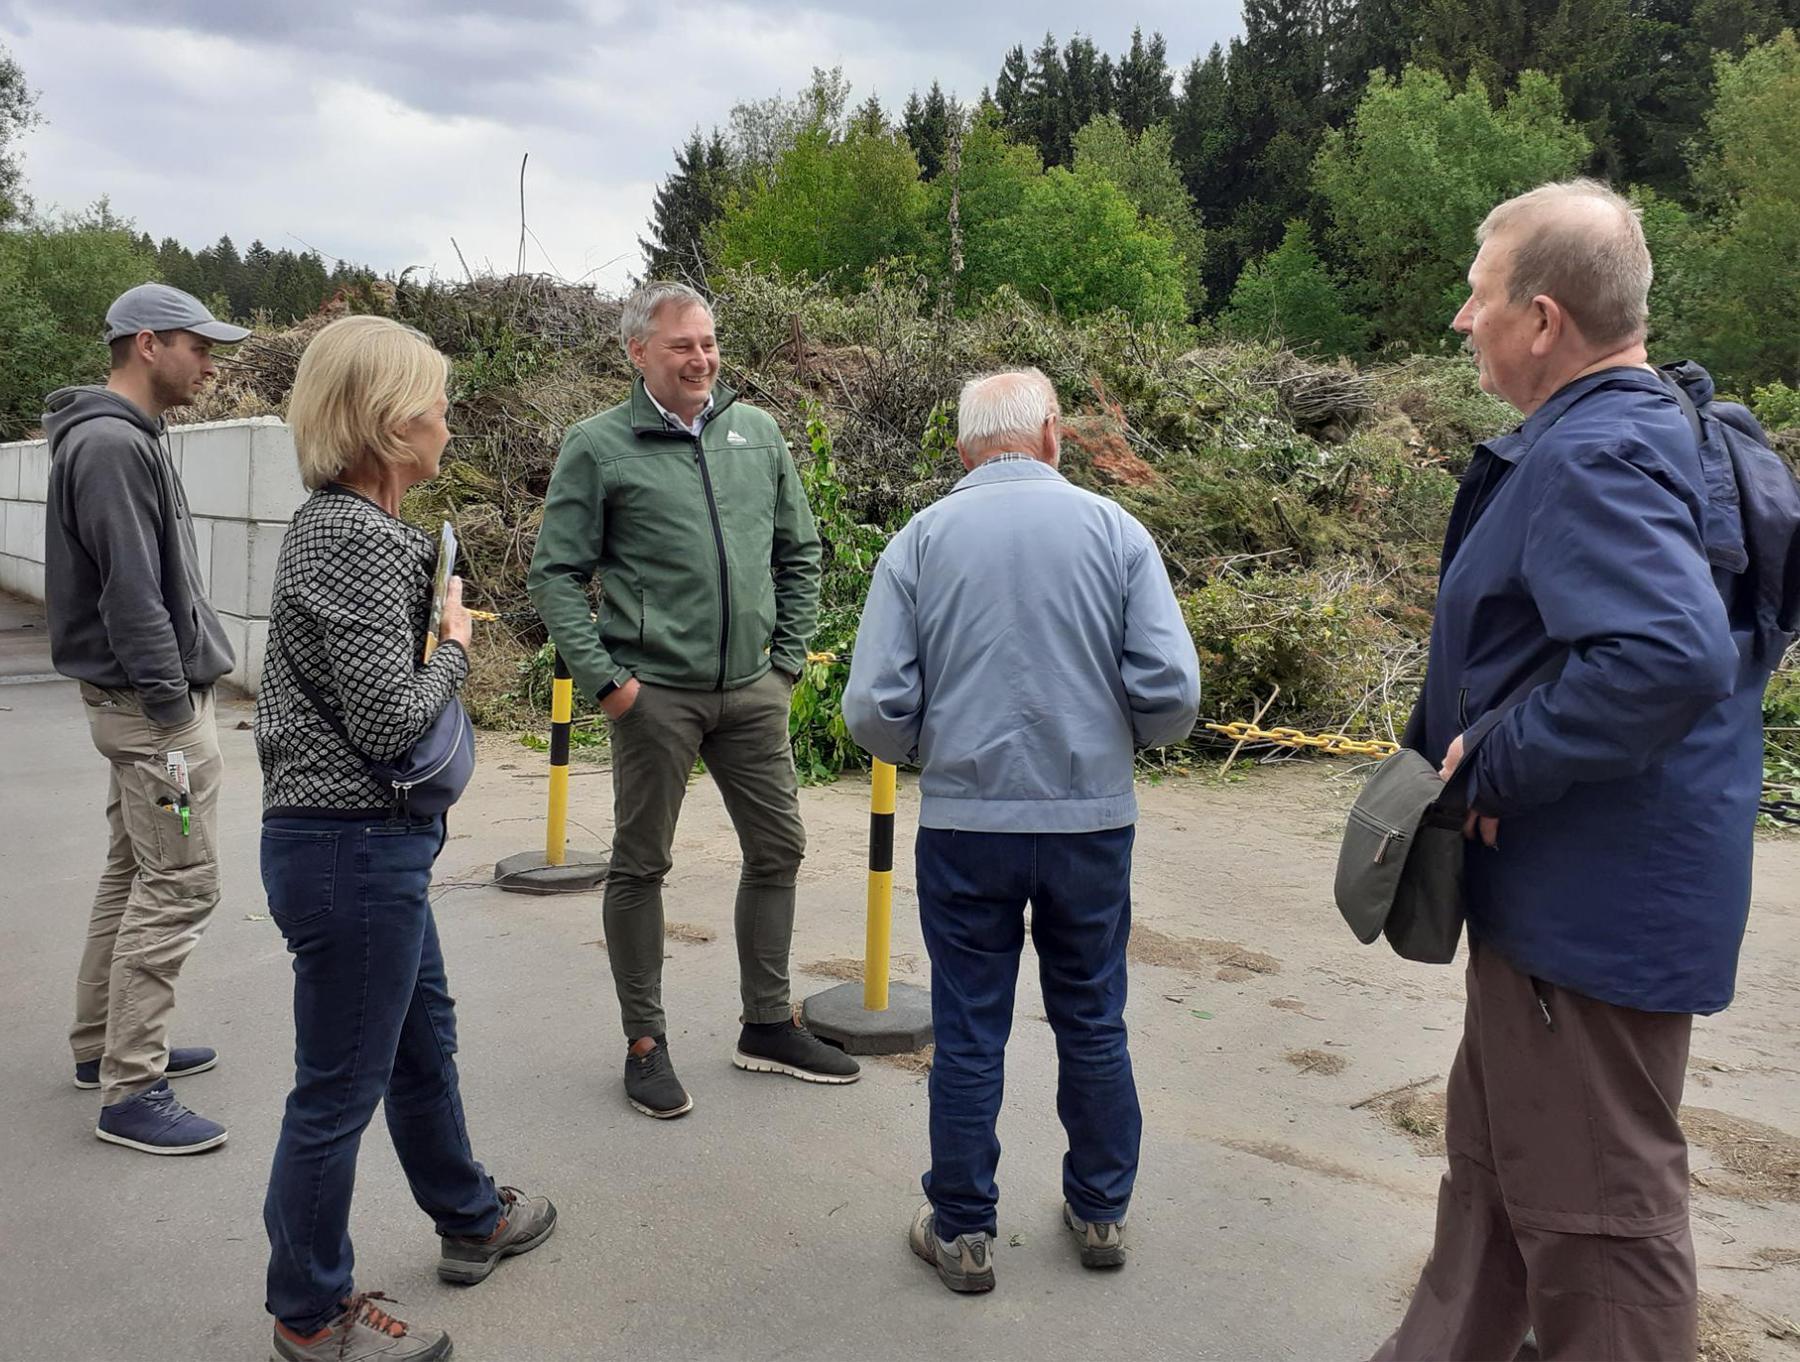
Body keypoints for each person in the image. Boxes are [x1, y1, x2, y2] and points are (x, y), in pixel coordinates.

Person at [1375, 180, 1781, 1360]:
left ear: (1543, 319)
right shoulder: (1659, 429)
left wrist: (1488, 763)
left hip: (1589, 921)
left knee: (1599, 1225)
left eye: (1477, 293)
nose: (1463, 320)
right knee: (1499, 1181)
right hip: (1582, 903)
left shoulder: (1594, 454)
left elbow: (1667, 657)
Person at [842, 368, 1201, 1293]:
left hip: (967, 822)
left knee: (968, 1029)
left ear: (964, 450)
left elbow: (875, 707)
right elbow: (1173, 694)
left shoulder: (918, 543)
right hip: (1090, 821)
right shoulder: (1118, 534)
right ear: (1051, 435)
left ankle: (962, 1228)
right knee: (1093, 1017)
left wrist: (935, 744)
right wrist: (1120, 741)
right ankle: (1101, 1209)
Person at [257, 316, 554, 1362]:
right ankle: (309, 1312)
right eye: (433, 400)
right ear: (388, 423)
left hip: (360, 848)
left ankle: (469, 1214)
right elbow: (390, 722)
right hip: (349, 850)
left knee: (422, 1046)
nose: (445, 416)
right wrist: (459, 647)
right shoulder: (353, 537)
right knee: (337, 1087)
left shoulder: (351, 529)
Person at [528, 279, 858, 1119]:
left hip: (753, 692)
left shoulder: (758, 433)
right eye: (683, 346)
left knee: (778, 849)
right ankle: (645, 1041)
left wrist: (782, 665)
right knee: (641, 866)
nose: (702, 359)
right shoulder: (599, 445)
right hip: (655, 697)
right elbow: (557, 575)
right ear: (638, 351)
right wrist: (609, 681)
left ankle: (765, 1025)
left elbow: (801, 550)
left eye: (709, 343)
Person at [42, 283, 249, 1154]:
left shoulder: (115, 439)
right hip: (153, 717)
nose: (212, 364)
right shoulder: (113, 448)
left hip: (137, 710)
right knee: (180, 883)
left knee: (134, 871)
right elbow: (132, 597)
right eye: (200, 347)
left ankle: (103, 1049)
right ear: (148, 343)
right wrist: (172, 714)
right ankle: (132, 1088)